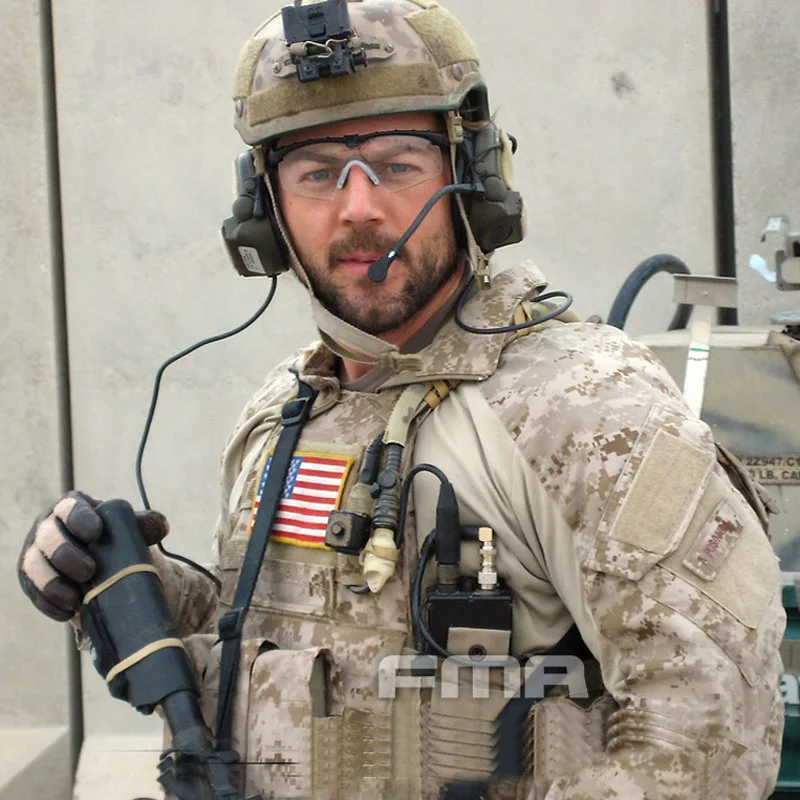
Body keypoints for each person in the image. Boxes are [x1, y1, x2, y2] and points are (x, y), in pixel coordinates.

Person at [17, 1, 786, 798]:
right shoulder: (285, 409)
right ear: (266, 211)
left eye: (397, 163)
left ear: (471, 177)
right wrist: (125, 588)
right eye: (317, 173)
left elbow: (708, 735)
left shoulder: (584, 406)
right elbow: (278, 645)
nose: (359, 208)